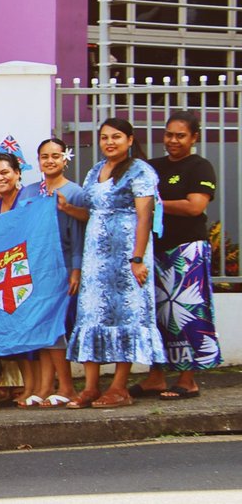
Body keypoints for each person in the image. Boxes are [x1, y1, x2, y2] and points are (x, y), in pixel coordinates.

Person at [59, 117, 165, 408]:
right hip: (96, 259)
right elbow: (93, 214)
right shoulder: (95, 172)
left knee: (125, 317)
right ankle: (91, 387)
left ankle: (119, 387)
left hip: (126, 257)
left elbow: (145, 216)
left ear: (130, 140)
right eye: (105, 137)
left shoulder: (140, 171)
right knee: (91, 315)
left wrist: (138, 259)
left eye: (116, 137)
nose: (109, 142)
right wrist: (68, 208)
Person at [131, 111, 221, 400]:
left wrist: (153, 203)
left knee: (187, 314)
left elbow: (195, 207)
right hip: (153, 251)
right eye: (169, 134)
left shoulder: (200, 167)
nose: (172, 140)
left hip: (187, 250)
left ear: (194, 137)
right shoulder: (152, 167)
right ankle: (155, 378)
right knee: (156, 314)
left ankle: (187, 380)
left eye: (180, 135)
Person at [0, 152, 42, 407]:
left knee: (35, 333)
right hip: (10, 273)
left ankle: (41, 386)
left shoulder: (28, 198)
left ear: (18, 173)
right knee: (19, 333)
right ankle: (29, 385)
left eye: (4, 172)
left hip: (32, 271)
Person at [32, 138, 85, 408]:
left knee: (57, 329)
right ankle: (44, 387)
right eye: (44, 156)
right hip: (36, 268)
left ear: (66, 158)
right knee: (42, 327)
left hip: (62, 266)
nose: (50, 160)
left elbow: (78, 235)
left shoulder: (75, 193)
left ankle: (66, 386)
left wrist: (76, 269)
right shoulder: (31, 193)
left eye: (56, 155)